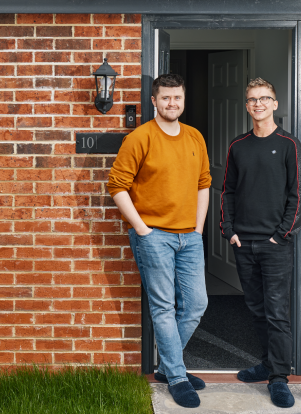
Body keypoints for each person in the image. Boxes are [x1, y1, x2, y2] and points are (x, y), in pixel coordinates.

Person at [107, 73, 211, 409]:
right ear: (154, 101)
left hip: (189, 237)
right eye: (165, 98)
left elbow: (203, 184)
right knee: (164, 307)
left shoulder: (195, 137)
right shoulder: (140, 138)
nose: (172, 103)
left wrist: (198, 228)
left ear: (183, 99)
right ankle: (178, 378)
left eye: (177, 98)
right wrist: (142, 229)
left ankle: (168, 366)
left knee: (196, 304)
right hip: (154, 236)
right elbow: (117, 186)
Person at [220, 77, 301, 408]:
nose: (258, 104)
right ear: (246, 106)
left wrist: (279, 234)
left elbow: (297, 196)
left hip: (275, 245)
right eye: (252, 99)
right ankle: (267, 364)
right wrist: (229, 230)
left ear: (275, 103)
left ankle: (279, 378)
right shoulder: (237, 145)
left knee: (276, 312)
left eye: (264, 98)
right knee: (256, 309)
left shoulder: (288, 144)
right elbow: (227, 190)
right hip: (244, 243)